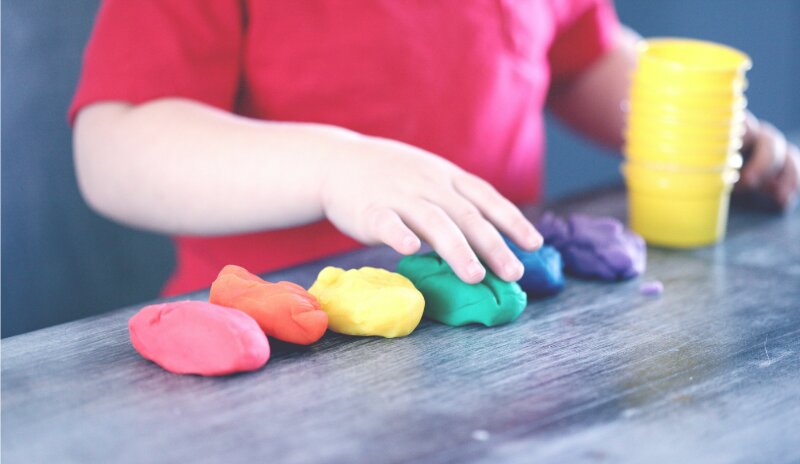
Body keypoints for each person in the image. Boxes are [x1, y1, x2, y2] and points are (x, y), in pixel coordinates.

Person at [71, 1, 799, 296]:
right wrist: (335, 167)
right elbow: (116, 145)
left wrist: (698, 132)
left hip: (504, 325)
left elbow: (579, 57)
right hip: (277, 344)